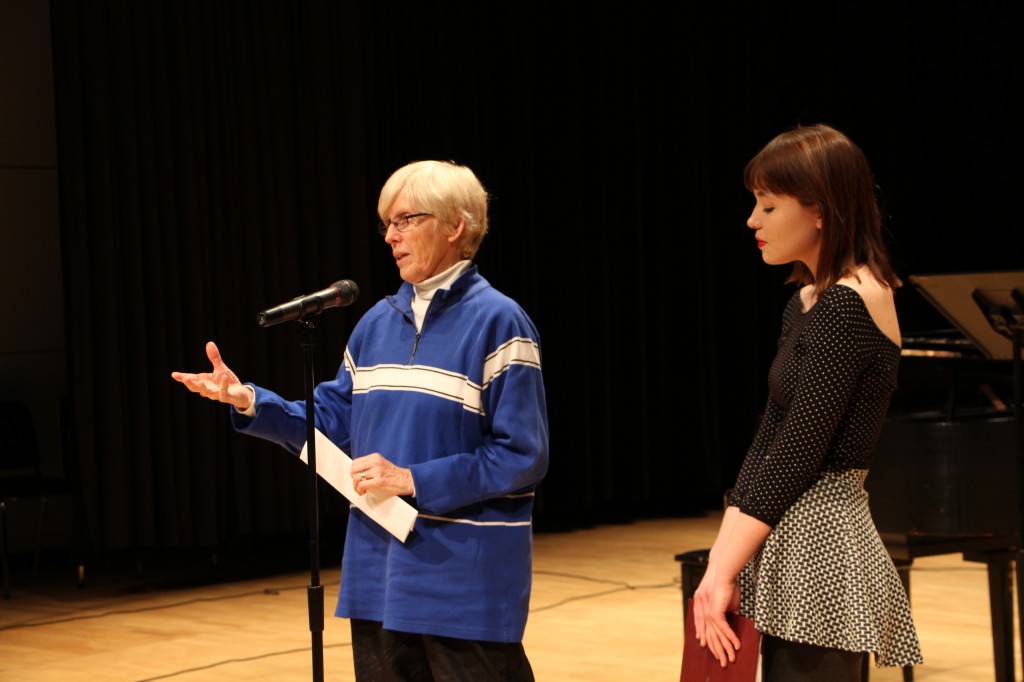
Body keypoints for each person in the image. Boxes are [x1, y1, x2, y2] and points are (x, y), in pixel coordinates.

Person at [172, 160, 549, 681]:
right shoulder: (375, 324)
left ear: (455, 225)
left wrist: (413, 479)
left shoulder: (499, 322)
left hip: (464, 582)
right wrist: (248, 400)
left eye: (405, 220)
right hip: (378, 577)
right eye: (386, 225)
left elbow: (522, 455)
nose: (390, 236)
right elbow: (328, 420)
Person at [692, 124, 923, 680]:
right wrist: (720, 561)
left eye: (768, 206)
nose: (752, 220)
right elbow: (769, 435)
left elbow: (799, 451)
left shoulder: (853, 302)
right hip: (781, 533)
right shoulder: (806, 302)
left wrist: (724, 567)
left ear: (820, 211)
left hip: (822, 546)